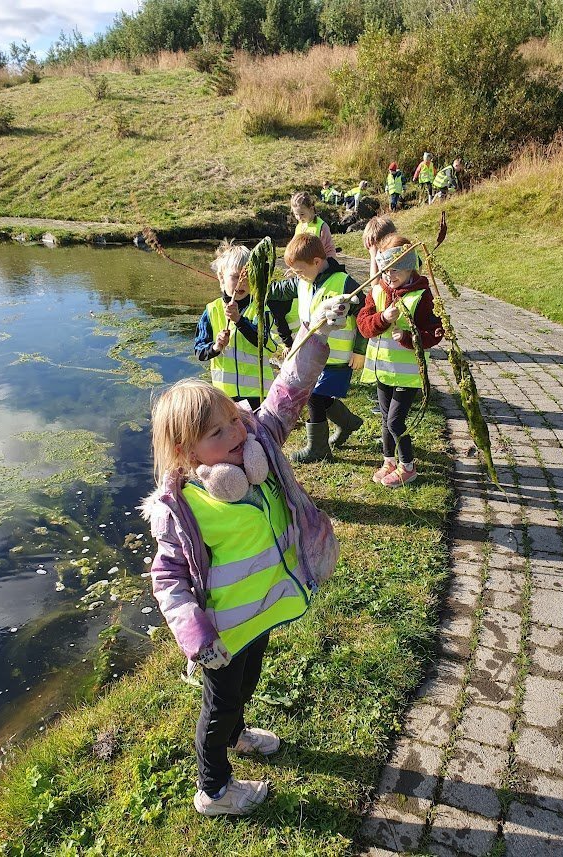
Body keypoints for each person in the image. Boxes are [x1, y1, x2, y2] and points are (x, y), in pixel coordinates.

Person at [143, 295, 348, 816]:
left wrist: (317, 333)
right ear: (187, 453)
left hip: (260, 613)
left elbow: (287, 394)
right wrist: (198, 639)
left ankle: (237, 734)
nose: (237, 433)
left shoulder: (258, 448)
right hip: (222, 634)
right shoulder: (183, 508)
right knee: (219, 705)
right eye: (219, 433)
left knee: (248, 684)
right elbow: (168, 580)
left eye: (234, 420)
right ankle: (213, 790)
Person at [267, 233, 366, 462]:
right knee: (316, 395)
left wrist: (360, 350)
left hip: (337, 356)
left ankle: (318, 448)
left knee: (313, 396)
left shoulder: (344, 283)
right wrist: (253, 287)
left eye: (300, 270)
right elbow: (278, 290)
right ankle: (348, 422)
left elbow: (364, 314)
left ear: (317, 262)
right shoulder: (303, 281)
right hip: (313, 355)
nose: (297, 275)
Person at [357, 234, 444, 487]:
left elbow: (435, 333)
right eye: (384, 270)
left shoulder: (422, 296)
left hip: (407, 373)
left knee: (395, 421)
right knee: (386, 420)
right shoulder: (377, 291)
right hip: (382, 369)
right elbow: (364, 326)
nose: (389, 275)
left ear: (409, 267)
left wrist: (408, 337)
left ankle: (408, 466)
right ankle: (389, 461)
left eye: (395, 269)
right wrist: (383, 318)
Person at [194, 240, 274, 410]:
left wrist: (239, 320)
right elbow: (199, 351)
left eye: (248, 276)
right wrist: (216, 347)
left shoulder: (260, 307)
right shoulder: (212, 310)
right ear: (221, 277)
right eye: (236, 276)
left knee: (256, 428)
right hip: (225, 395)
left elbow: (264, 342)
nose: (242, 282)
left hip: (257, 393)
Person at [291, 191, 337, 259]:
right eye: (296, 214)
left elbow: (328, 250)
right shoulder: (299, 227)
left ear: (311, 209)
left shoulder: (322, 227)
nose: (299, 218)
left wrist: (328, 263)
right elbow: (293, 247)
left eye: (302, 214)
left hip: (320, 263)